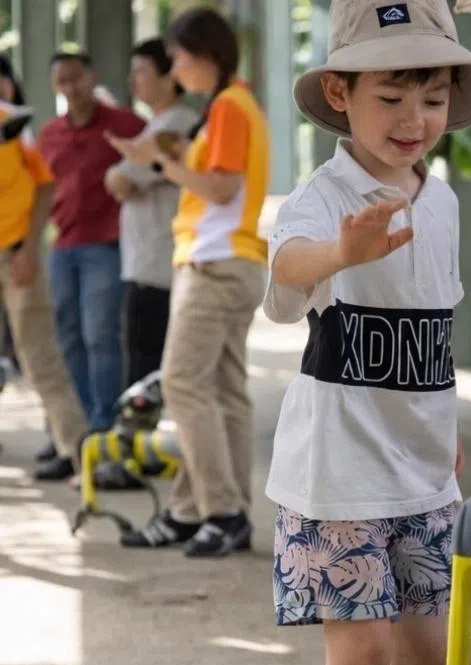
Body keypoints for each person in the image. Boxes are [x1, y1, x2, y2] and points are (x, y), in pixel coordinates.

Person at [263, 0, 471, 665]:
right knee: (359, 656)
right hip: (335, 476)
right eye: (391, 92)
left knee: (433, 660)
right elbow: (286, 282)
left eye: (433, 95)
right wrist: (343, 251)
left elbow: (430, 332)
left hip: (419, 475)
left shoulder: (438, 198)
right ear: (340, 95)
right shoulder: (324, 199)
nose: (413, 115)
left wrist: (444, 441)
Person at [108, 9, 269, 557]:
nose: (175, 70)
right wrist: (166, 159)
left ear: (204, 56)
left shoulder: (227, 107)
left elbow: (220, 190)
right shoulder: (235, 105)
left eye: (177, 58)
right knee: (222, 393)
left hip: (216, 264)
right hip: (232, 262)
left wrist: (160, 163)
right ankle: (194, 510)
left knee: (181, 384)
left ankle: (220, 511)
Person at [36, 52, 145, 461]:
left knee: (100, 335)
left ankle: (104, 429)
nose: (70, 88)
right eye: (61, 82)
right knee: (66, 337)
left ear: (91, 76)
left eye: (76, 79)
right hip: (62, 246)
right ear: (54, 88)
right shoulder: (49, 134)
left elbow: (158, 162)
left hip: (106, 245)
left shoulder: (125, 125)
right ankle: (75, 429)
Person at [0, 56, 89, 481]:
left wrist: (30, 248)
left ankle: (80, 457)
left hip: (17, 255)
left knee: (40, 360)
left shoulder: (14, 127)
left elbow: (44, 183)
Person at [104, 38, 196, 389]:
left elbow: (120, 180)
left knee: (147, 374)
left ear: (169, 76)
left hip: (157, 269)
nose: (133, 81)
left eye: (141, 71)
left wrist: (122, 173)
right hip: (149, 264)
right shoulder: (156, 125)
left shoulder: (175, 125)